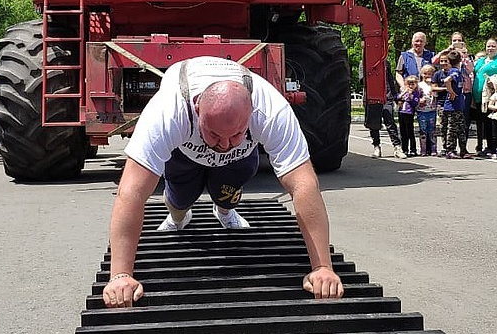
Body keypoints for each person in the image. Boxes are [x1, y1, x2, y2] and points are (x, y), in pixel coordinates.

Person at [101, 56, 343, 308]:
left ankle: (225, 211)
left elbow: (303, 184)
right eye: (215, 134)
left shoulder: (271, 110)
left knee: (226, 190)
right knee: (181, 199)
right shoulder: (168, 110)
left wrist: (323, 267)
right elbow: (131, 192)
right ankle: (177, 216)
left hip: (240, 159)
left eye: (237, 133)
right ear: (196, 108)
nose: (224, 145)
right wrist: (120, 275)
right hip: (184, 155)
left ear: (251, 112)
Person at [472, 38, 497, 158]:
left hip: (495, 98)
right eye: (488, 46)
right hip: (480, 98)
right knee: (484, 123)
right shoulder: (481, 61)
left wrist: (494, 79)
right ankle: (488, 146)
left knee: (493, 123)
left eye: (493, 46)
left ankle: (496, 147)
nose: (490, 48)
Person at [441, 49, 468, 159]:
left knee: (461, 128)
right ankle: (450, 150)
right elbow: (447, 80)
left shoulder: (458, 70)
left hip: (459, 105)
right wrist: (451, 91)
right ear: (460, 60)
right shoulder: (455, 72)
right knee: (452, 129)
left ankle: (463, 150)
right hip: (452, 106)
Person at [396, 75, 421, 157]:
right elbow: (397, 98)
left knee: (410, 132)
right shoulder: (403, 91)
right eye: (409, 84)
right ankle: (404, 149)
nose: (410, 86)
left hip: (409, 113)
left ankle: (413, 149)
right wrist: (404, 92)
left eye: (413, 84)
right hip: (401, 112)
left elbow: (415, 103)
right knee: (403, 132)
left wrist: (411, 95)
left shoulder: (416, 93)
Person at [416, 64, 438, 156]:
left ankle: (433, 149)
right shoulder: (419, 85)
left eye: (430, 74)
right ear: (421, 74)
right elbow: (415, 97)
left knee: (432, 130)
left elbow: (437, 95)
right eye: (425, 73)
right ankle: (423, 150)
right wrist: (419, 100)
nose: (427, 76)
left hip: (432, 110)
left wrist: (434, 93)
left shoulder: (434, 85)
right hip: (421, 111)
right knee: (423, 130)